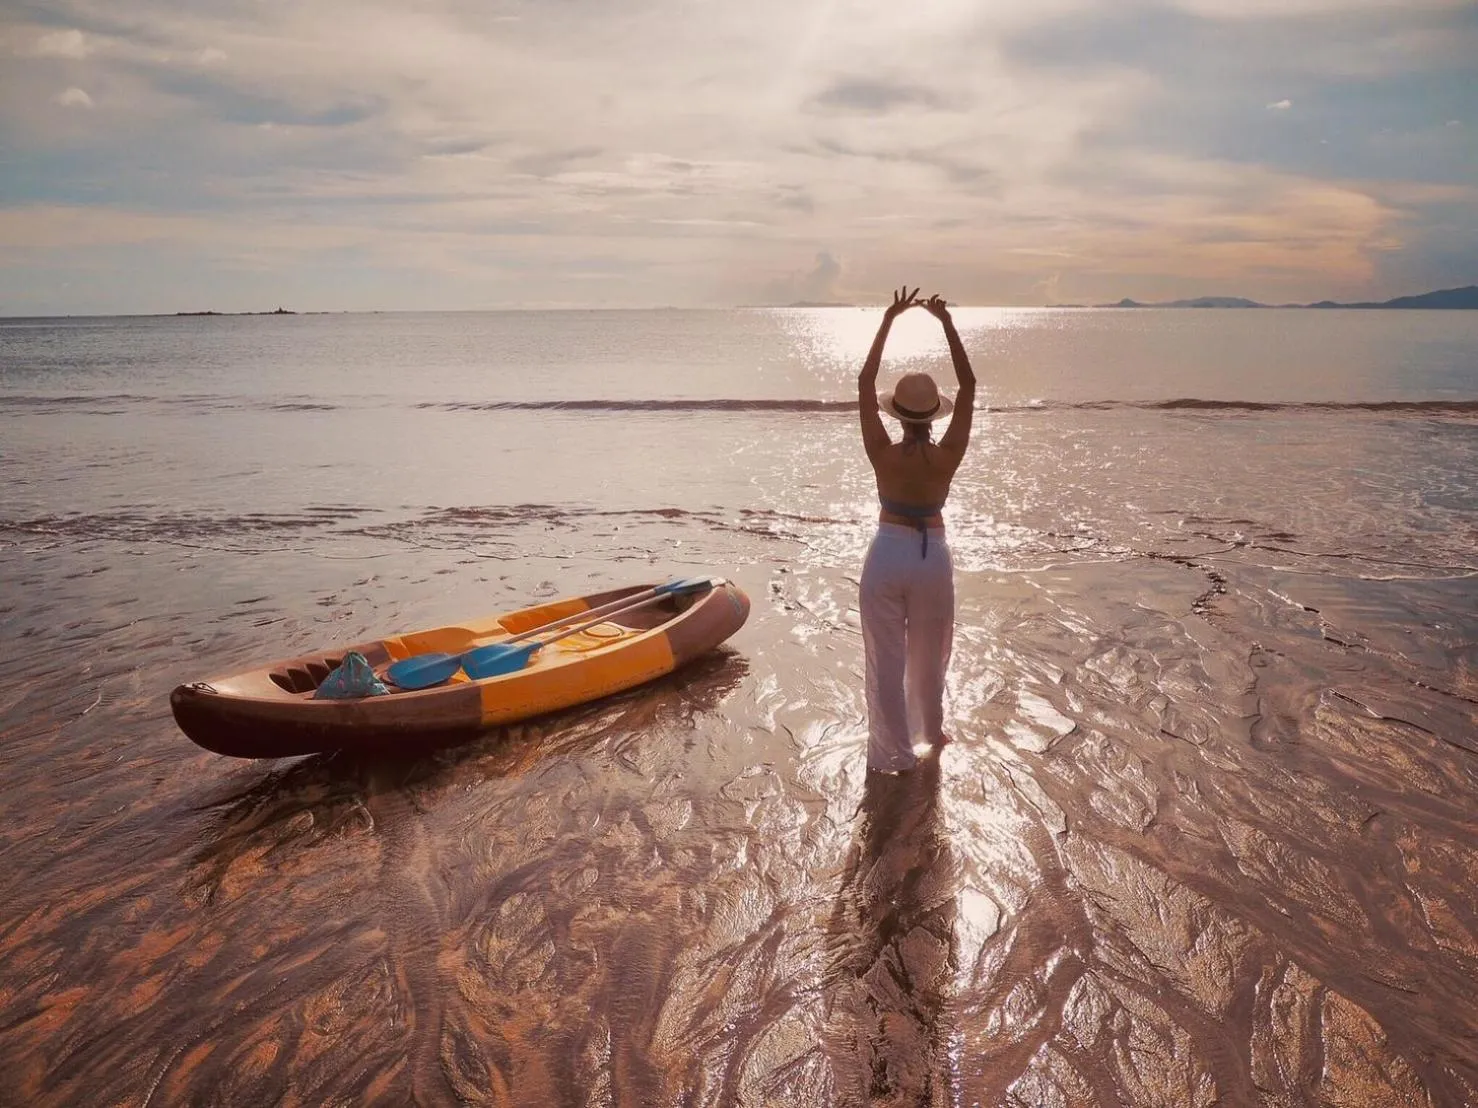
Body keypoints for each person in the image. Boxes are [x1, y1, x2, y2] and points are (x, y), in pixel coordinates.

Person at [856, 286, 975, 772]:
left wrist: (889, 319)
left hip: (887, 553)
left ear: (898, 414)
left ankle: (895, 753)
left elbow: (865, 382)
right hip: (931, 558)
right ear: (933, 414)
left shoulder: (882, 451)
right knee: (930, 653)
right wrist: (945, 322)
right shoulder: (947, 454)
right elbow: (968, 385)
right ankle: (929, 735)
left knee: (885, 658)